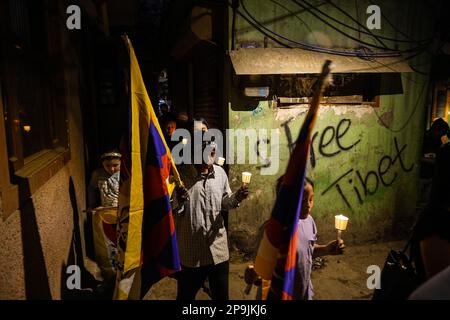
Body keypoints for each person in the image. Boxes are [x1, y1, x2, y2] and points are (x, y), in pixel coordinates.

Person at [245, 177, 345, 300]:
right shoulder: (272, 230)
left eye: (311, 199)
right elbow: (261, 268)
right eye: (302, 201)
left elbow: (306, 252)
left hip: (302, 292)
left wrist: (326, 249)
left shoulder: (309, 222)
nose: (308, 205)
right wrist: (254, 274)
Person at [173, 141, 249, 300]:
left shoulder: (220, 173)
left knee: (221, 297)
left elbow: (225, 202)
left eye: (213, 151)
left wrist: (238, 196)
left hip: (218, 250)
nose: (210, 154)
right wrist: (179, 201)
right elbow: (172, 210)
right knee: (185, 297)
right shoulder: (181, 176)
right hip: (192, 252)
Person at [87, 150, 121, 296]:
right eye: (108, 165)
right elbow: (92, 189)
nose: (111, 169)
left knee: (123, 247)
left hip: (122, 215)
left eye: (115, 165)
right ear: (102, 164)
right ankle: (109, 280)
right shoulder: (97, 174)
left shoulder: (125, 174)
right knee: (106, 250)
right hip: (105, 214)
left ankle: (123, 281)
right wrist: (93, 204)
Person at [418, 118, 449, 207]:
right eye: (442, 133)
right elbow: (417, 157)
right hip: (421, 175)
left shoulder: (437, 140)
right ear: (436, 130)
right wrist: (436, 162)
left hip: (430, 176)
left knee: (425, 203)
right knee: (419, 201)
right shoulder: (423, 139)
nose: (442, 136)